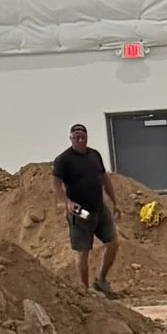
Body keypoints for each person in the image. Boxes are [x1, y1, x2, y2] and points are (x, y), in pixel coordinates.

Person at [51, 124, 119, 296]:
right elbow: (56, 185)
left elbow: (105, 179)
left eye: (83, 137)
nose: (80, 140)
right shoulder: (63, 160)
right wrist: (67, 202)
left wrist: (115, 202)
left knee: (112, 244)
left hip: (99, 208)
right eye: (76, 137)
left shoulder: (94, 155)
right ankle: (85, 290)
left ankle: (101, 281)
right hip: (79, 212)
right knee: (83, 252)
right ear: (71, 138)